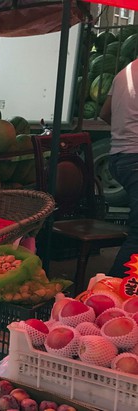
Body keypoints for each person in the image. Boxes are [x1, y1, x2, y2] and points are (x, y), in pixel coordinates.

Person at [101, 58, 138, 278]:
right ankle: (112, 287)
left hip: (119, 157)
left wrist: (126, 132)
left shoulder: (123, 73)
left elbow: (105, 113)